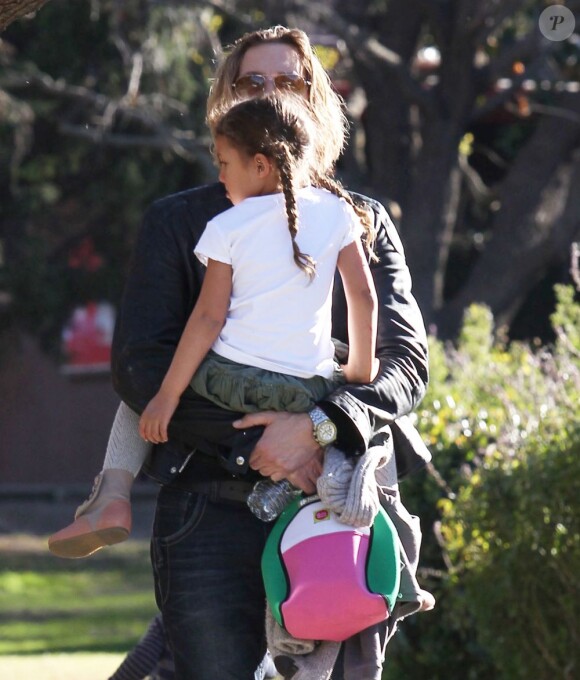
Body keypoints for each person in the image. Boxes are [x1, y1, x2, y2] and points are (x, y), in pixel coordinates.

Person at [64, 25, 431, 680]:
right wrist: (253, 443)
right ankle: (109, 491)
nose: (269, 94)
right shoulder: (180, 223)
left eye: (288, 81)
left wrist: (314, 431)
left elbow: (406, 364)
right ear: (224, 107)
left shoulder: (362, 222)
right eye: (250, 83)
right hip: (208, 510)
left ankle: (109, 491)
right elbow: (140, 365)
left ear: (318, 103)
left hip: (333, 501)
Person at [47, 93, 378, 557]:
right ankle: (345, 512)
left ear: (260, 166)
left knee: (147, 386)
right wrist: (359, 371)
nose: (219, 176)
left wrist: (165, 397)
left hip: (231, 382)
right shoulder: (340, 212)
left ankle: (113, 494)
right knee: (353, 402)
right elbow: (362, 296)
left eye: (225, 163)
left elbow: (207, 318)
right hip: (308, 391)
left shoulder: (227, 226)